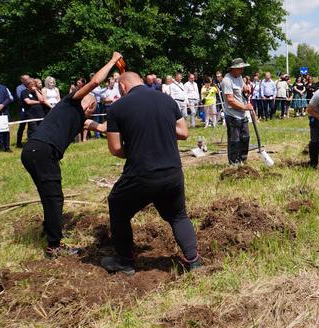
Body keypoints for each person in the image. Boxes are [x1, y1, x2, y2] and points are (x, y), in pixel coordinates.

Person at [21, 53, 120, 258]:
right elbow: (95, 81)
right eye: (93, 107)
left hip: (33, 152)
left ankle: (49, 228)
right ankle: (54, 246)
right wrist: (112, 62)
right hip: (42, 150)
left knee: (48, 194)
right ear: (89, 104)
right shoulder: (71, 102)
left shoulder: (80, 120)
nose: (93, 111)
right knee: (55, 197)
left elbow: (102, 127)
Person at [102, 70, 200, 275]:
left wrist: (140, 143)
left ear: (122, 87)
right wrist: (159, 128)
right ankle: (194, 261)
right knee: (178, 215)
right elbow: (183, 133)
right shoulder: (167, 100)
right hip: (172, 171)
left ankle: (125, 262)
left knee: (117, 207)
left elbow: (116, 149)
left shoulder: (117, 108)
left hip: (141, 173)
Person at [221, 59, 254, 165]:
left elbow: (243, 87)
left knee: (245, 137)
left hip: (242, 114)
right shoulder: (227, 80)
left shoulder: (239, 77)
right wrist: (245, 107)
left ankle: (243, 159)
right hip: (233, 115)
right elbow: (230, 100)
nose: (242, 70)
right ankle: (234, 162)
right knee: (234, 140)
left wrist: (246, 89)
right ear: (234, 68)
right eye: (240, 68)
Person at [15, 75, 30, 148]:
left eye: (28, 79)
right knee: (22, 126)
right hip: (23, 109)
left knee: (31, 125)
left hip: (31, 109)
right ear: (22, 80)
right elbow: (19, 97)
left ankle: (30, 140)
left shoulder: (31, 86)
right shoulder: (19, 88)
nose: (27, 80)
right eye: (25, 79)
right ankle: (18, 142)